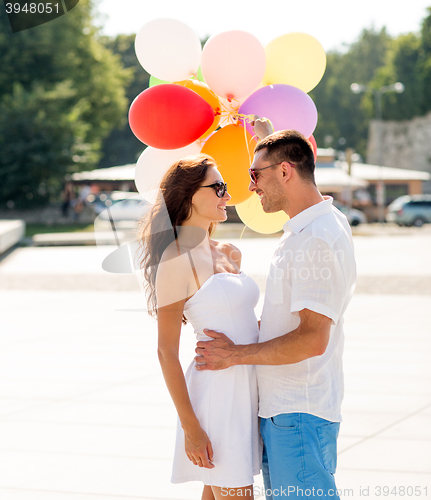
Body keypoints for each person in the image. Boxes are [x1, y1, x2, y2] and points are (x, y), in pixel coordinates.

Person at [195, 128, 357, 500]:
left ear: (285, 172)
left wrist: (233, 355)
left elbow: (313, 338)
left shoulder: (316, 236)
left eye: (255, 174)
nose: (250, 186)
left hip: (298, 414)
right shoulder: (310, 227)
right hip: (288, 413)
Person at [137, 154, 261, 500]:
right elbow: (165, 352)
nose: (227, 195)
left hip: (248, 393)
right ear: (189, 195)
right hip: (215, 399)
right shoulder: (176, 260)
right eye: (218, 187)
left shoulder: (230, 252)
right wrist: (191, 426)